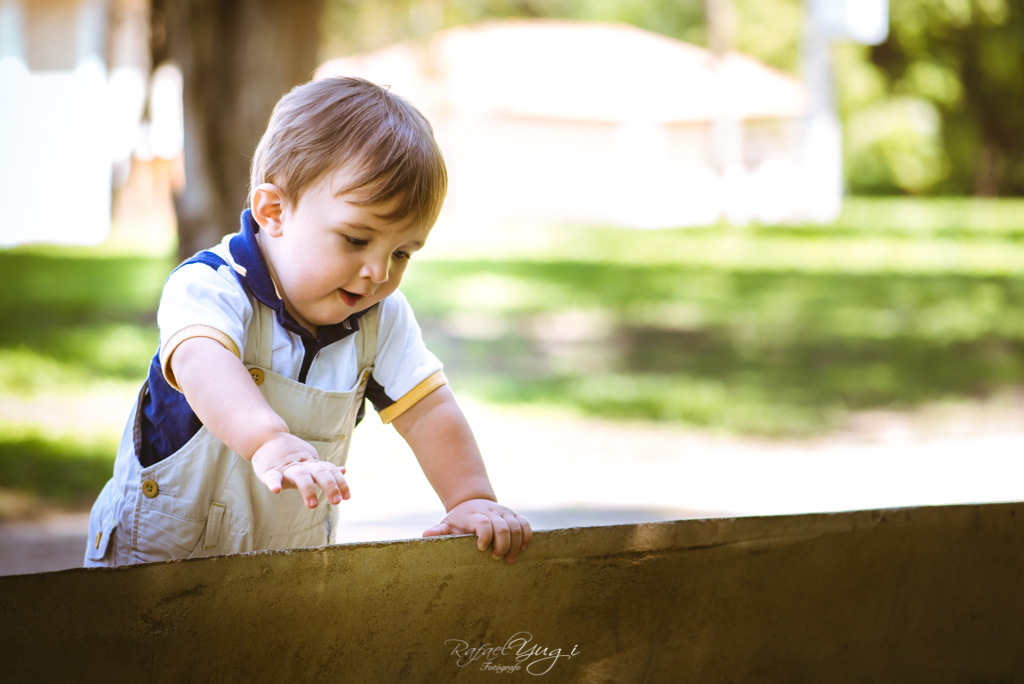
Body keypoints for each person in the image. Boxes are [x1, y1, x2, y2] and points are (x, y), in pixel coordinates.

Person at [84, 76, 531, 567]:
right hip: (158, 558)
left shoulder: (380, 318)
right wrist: (268, 439)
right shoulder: (211, 286)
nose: (378, 272)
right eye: (356, 240)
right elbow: (202, 363)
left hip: (284, 565)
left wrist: (469, 496)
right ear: (274, 211)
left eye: (402, 252)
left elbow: (428, 410)